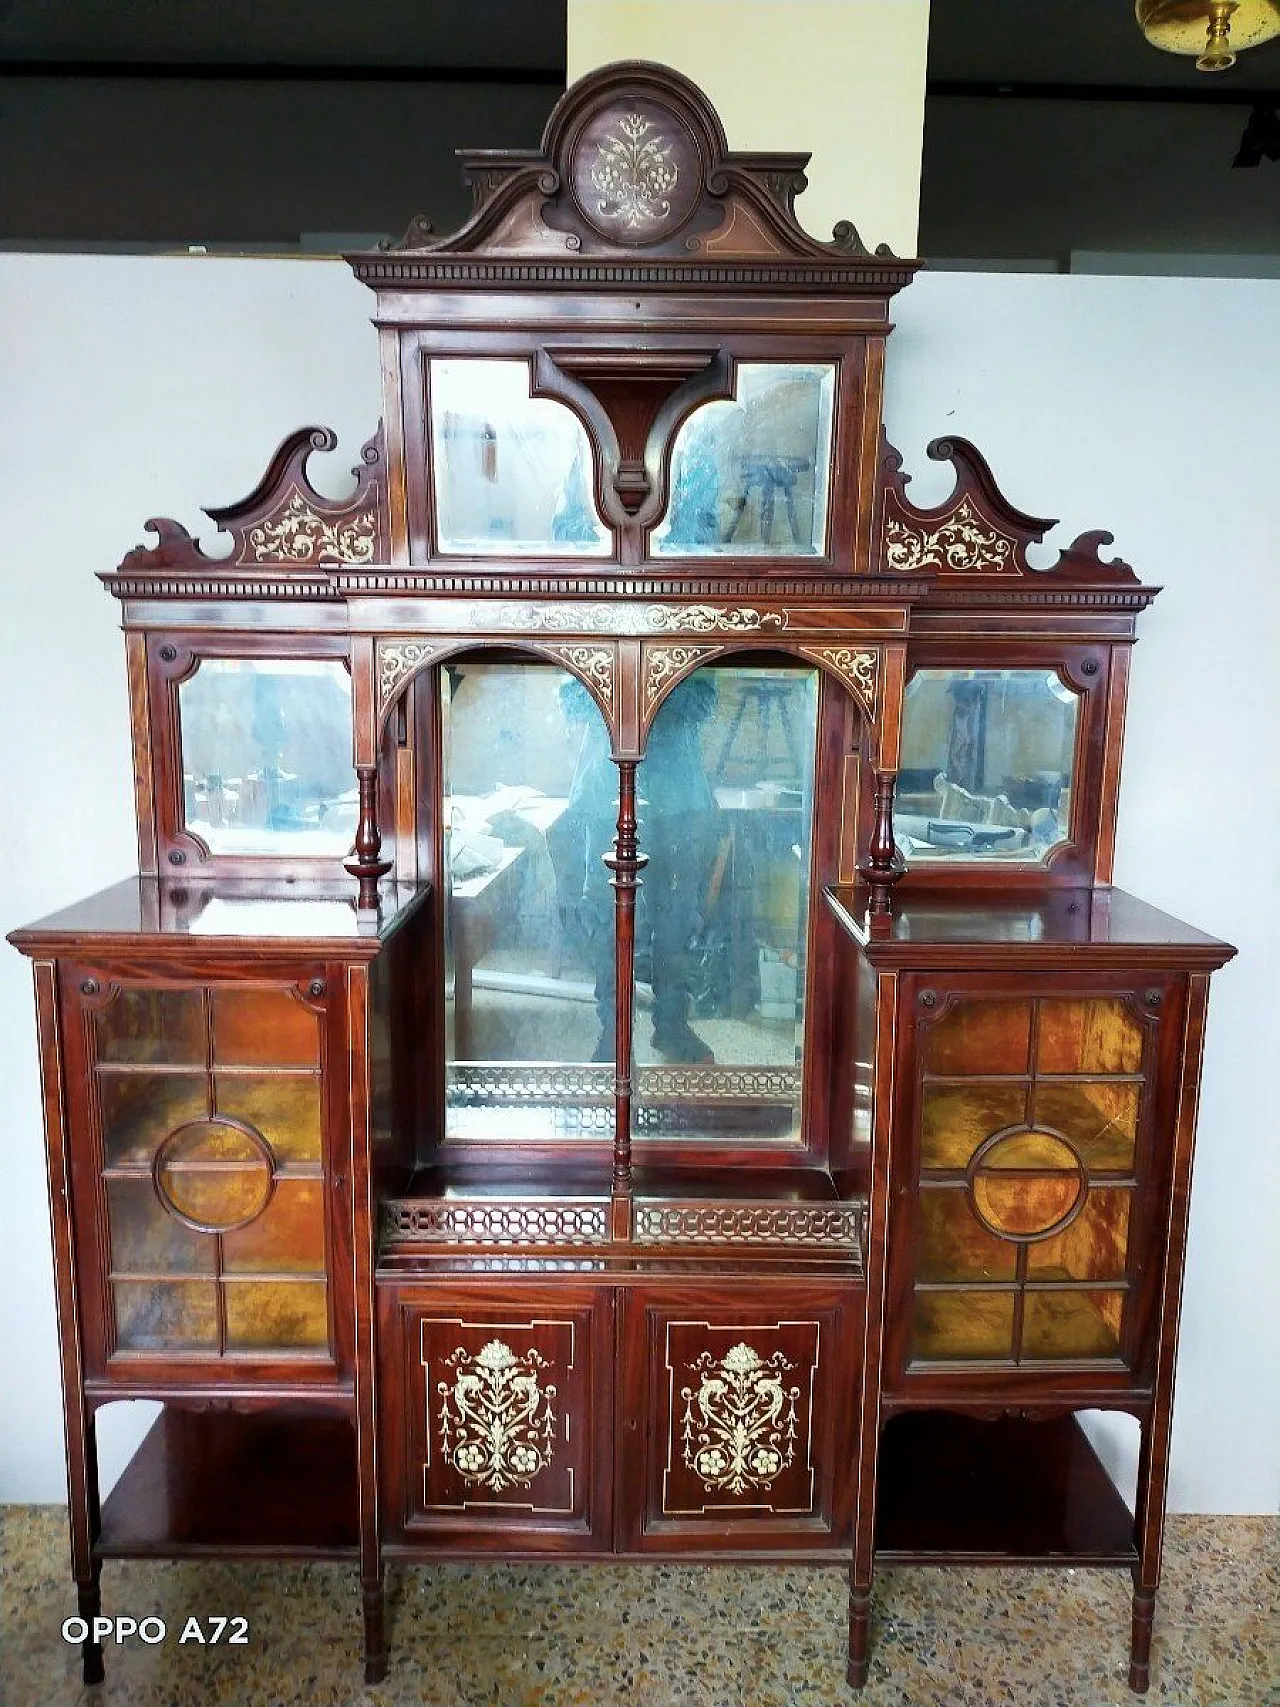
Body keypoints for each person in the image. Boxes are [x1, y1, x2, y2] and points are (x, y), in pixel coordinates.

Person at [553, 673, 719, 1064]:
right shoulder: (593, 630)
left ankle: (672, 1025)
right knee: (608, 918)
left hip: (679, 797)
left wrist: (642, 690)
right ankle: (613, 1034)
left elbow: (705, 701)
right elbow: (570, 697)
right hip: (606, 792)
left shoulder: (687, 633)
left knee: (678, 918)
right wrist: (637, 689)